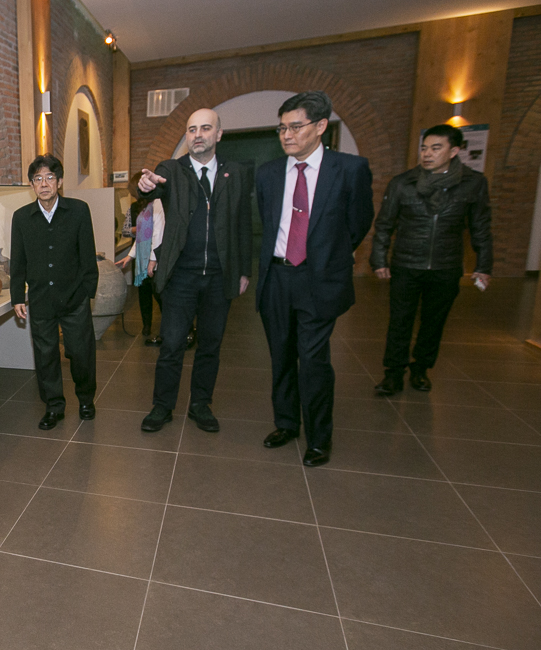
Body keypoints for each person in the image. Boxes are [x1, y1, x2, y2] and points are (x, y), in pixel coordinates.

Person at [256, 91, 374, 467]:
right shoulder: (269, 173)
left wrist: (327, 254)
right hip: (277, 277)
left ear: (321, 126)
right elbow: (268, 221)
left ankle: (319, 438)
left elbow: (358, 223)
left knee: (313, 360)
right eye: (281, 128)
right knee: (281, 356)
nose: (286, 135)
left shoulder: (350, 169)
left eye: (295, 127)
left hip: (318, 278)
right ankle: (286, 423)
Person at [132, 108, 254, 433]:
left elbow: (243, 222)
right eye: (191, 129)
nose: (197, 135)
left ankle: (200, 404)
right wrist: (145, 185)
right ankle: (162, 406)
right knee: (172, 345)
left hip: (219, 276)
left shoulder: (235, 173)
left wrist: (243, 270)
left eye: (205, 128)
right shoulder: (172, 170)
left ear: (219, 134)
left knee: (210, 346)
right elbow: (150, 188)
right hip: (181, 276)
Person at [370, 124, 492, 395]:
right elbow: (385, 224)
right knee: (399, 321)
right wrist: (379, 259)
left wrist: (484, 266)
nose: (427, 154)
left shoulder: (473, 183)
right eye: (424, 148)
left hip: (446, 266)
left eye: (436, 148)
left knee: (433, 322)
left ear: (454, 151)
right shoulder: (403, 183)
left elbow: (481, 228)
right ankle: (393, 373)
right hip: (406, 264)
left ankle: (421, 369)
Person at [11, 154, 99, 430]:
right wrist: (17, 297)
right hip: (41, 299)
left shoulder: (79, 211)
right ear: (31, 185)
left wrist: (87, 291)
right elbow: (18, 261)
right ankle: (53, 407)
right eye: (38, 178)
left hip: (74, 297)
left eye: (50, 177)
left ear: (59, 182)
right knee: (45, 356)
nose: (44, 183)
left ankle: (86, 400)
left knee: (81, 353)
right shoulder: (21, 218)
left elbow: (88, 255)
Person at [116, 174, 165, 345]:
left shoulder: (158, 203)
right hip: (143, 259)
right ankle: (147, 327)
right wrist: (130, 256)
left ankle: (174, 329)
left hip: (156, 259)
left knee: (161, 296)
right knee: (144, 295)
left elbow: (158, 233)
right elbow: (139, 236)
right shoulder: (140, 207)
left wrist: (153, 259)